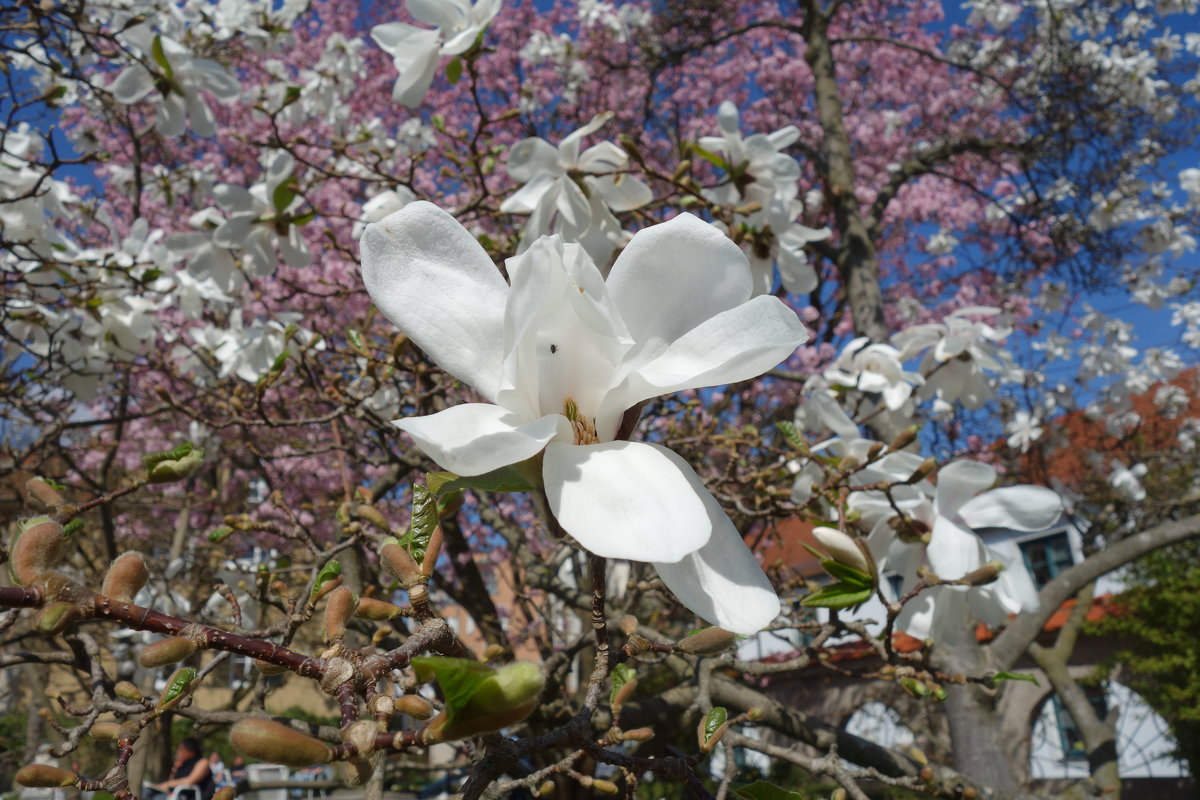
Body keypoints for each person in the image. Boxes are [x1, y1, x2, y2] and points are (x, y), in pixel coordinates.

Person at [143, 737, 214, 800]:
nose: (178, 752)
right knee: (146, 790)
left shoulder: (203, 762)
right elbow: (173, 781)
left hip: (191, 796)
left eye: (181, 749)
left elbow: (190, 781)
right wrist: (175, 769)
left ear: (191, 751)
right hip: (176, 795)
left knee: (155, 797)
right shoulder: (183, 764)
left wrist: (167, 784)